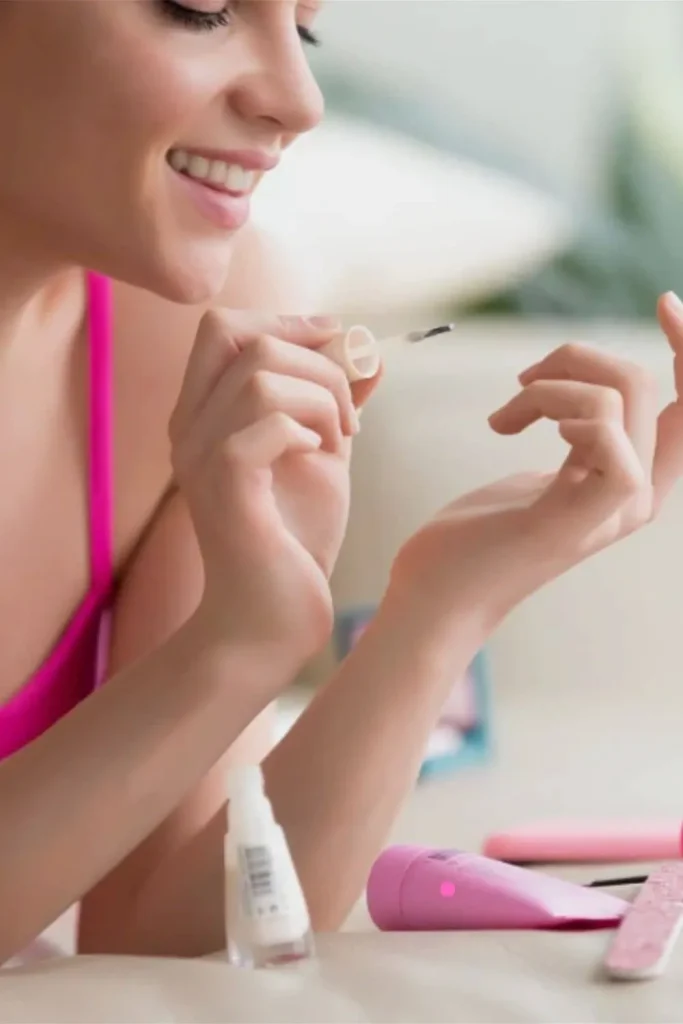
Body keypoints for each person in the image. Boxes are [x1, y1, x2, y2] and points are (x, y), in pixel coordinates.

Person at [1, 0, 682, 963]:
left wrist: (437, 610)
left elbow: (176, 942)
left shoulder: (200, 335)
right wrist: (228, 652)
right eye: (201, 9)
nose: (300, 99)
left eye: (306, 28)